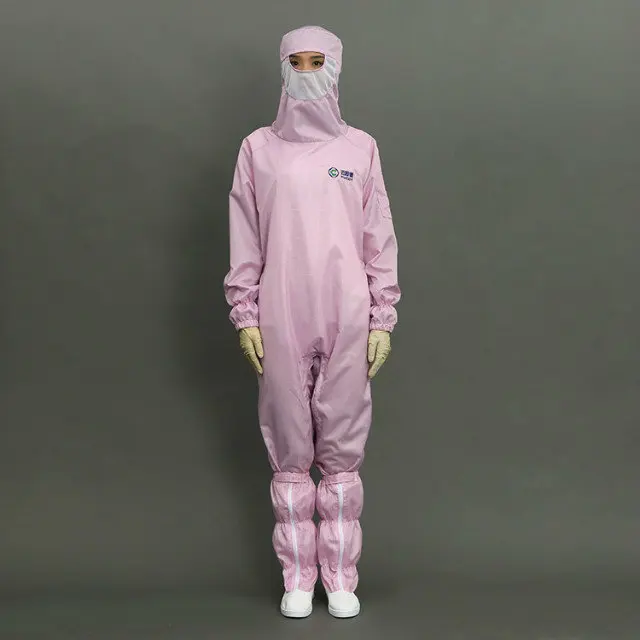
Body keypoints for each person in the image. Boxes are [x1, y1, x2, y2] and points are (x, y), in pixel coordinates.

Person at [223, 25, 400, 619]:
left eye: (316, 61)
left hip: (348, 314)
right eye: (294, 61)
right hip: (280, 315)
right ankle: (298, 576)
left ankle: (341, 578)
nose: (305, 71)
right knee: (291, 447)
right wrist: (245, 312)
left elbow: (378, 238)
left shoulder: (360, 150)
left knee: (342, 451)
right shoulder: (258, 150)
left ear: (336, 67)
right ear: (281, 68)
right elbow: (246, 235)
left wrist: (382, 317)